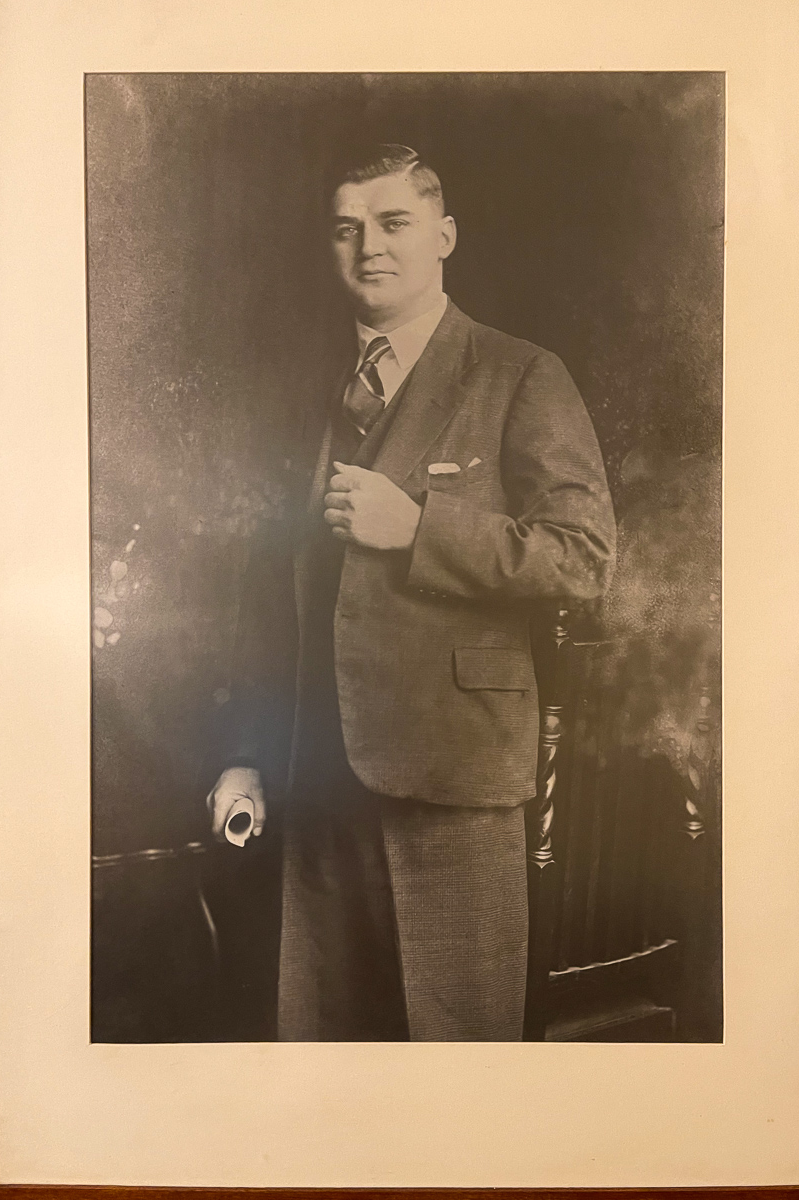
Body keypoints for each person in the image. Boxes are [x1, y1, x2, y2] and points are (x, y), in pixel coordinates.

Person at [206, 143, 616, 1041]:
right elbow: (271, 593)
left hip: (452, 782)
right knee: (321, 1052)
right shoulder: (297, 393)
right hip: (314, 782)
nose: (370, 249)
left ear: (444, 236)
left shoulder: (520, 375)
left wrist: (419, 526)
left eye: (394, 224)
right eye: (346, 230)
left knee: (453, 1060)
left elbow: (583, 560)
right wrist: (244, 752)